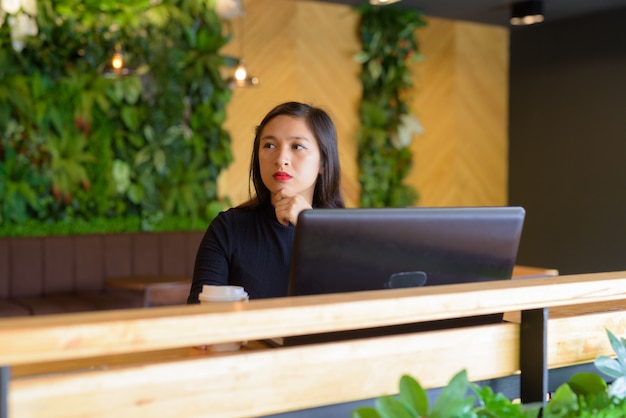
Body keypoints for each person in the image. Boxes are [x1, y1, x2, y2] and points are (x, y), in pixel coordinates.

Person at [187, 101, 345, 303]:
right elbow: (201, 316)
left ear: (323, 162)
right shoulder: (228, 229)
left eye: (297, 146)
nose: (281, 159)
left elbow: (355, 312)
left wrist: (312, 228)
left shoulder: (346, 235)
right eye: (270, 145)